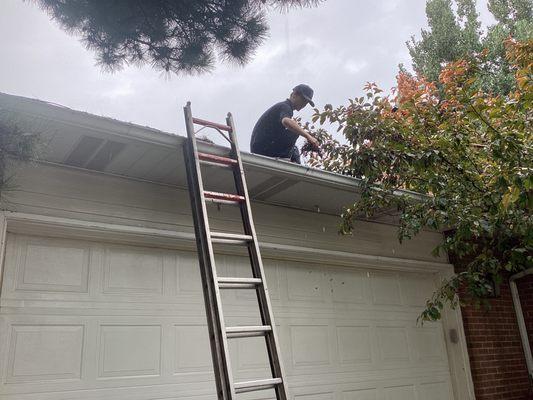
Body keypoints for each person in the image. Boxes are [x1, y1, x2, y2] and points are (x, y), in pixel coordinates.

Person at [250, 84, 320, 164]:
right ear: (294, 95)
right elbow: (286, 121)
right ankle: (284, 160)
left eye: (306, 103)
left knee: (294, 150)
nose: (304, 104)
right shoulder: (285, 106)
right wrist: (308, 136)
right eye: (303, 100)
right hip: (262, 149)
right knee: (294, 131)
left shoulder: (284, 107)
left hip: (262, 147)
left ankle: (292, 165)